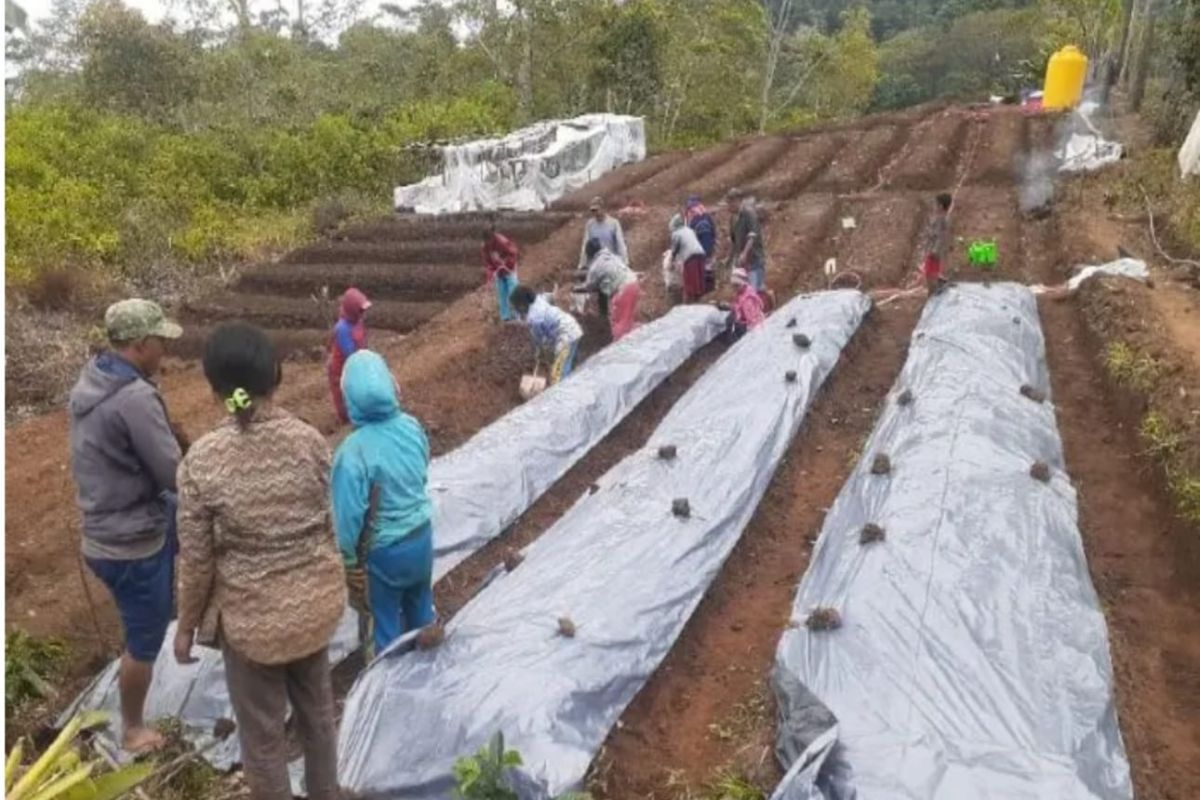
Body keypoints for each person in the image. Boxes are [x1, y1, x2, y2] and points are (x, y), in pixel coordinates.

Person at [174, 322, 345, 800]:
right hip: (314, 608)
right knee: (318, 717)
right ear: (277, 373)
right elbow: (327, 522)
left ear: (215, 389)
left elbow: (197, 560)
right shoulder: (310, 441)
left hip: (252, 625)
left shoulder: (202, 462)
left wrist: (187, 625)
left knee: (263, 739)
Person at [68, 298, 183, 754]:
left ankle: (179, 619)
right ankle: (132, 728)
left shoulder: (94, 377)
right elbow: (173, 474)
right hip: (132, 541)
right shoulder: (134, 399)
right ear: (139, 345)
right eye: (160, 342)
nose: (165, 351)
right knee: (144, 636)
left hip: (101, 531)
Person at [332, 350, 435, 657]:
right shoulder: (411, 427)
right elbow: (422, 468)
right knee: (420, 607)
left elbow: (347, 518)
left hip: (385, 555)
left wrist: (349, 563)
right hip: (422, 537)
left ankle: (390, 692)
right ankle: (431, 672)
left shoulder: (352, 453)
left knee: (386, 624)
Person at [509, 285, 584, 385]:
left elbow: (540, 340)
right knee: (571, 366)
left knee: (558, 377)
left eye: (516, 307)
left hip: (566, 336)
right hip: (572, 327)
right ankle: (576, 386)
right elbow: (550, 297)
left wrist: (539, 353)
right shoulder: (538, 300)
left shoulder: (535, 317)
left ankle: (563, 396)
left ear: (522, 305)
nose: (515, 311)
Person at [578, 237, 641, 341]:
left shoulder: (595, 267)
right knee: (627, 319)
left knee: (618, 322)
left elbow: (589, 286)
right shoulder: (611, 256)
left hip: (623, 290)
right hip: (634, 284)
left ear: (589, 254)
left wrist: (576, 288)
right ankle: (638, 337)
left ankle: (619, 349)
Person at [327, 287, 370, 425]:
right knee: (345, 399)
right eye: (360, 310)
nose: (363, 313)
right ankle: (346, 423)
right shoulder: (342, 329)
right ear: (352, 310)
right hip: (341, 370)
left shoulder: (358, 322)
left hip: (355, 363)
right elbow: (351, 356)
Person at [726, 188, 766, 293]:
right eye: (728, 202)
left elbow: (752, 236)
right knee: (743, 291)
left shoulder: (749, 214)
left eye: (731, 202)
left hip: (754, 259)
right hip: (743, 264)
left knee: (753, 291)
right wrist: (730, 259)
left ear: (738, 201)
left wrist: (744, 253)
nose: (729, 206)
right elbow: (734, 242)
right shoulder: (733, 219)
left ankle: (766, 300)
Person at [481, 224, 520, 322]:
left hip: (509, 270)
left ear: (492, 237)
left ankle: (517, 315)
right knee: (502, 293)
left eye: (489, 240)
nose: (488, 242)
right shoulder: (485, 247)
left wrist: (507, 265)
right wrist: (491, 273)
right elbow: (488, 262)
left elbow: (513, 253)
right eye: (486, 240)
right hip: (498, 272)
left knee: (513, 292)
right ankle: (505, 317)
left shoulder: (502, 241)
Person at [670, 214, 708, 303]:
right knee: (698, 283)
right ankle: (699, 303)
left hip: (691, 258)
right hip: (701, 255)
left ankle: (685, 307)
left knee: (688, 285)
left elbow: (674, 249)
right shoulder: (689, 230)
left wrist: (672, 260)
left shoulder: (676, 233)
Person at [684, 195, 718, 292]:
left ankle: (706, 290)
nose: (690, 211)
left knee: (706, 271)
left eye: (691, 208)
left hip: (703, 250)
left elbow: (706, 238)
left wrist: (704, 253)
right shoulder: (703, 217)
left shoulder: (701, 220)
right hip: (702, 249)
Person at [920, 193, 953, 295]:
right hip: (934, 250)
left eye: (935, 204)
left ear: (941, 206)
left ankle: (933, 292)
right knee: (931, 272)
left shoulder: (941, 220)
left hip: (934, 252)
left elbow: (939, 237)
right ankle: (939, 282)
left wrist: (934, 251)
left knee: (929, 274)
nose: (934, 206)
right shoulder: (941, 218)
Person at [727, 267, 766, 340]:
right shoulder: (741, 294)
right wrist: (731, 307)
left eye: (737, 286)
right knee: (729, 319)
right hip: (744, 321)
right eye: (733, 286)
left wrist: (749, 336)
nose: (735, 289)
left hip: (751, 327)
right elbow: (737, 305)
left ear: (743, 284)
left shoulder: (748, 301)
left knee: (732, 324)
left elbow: (754, 321)